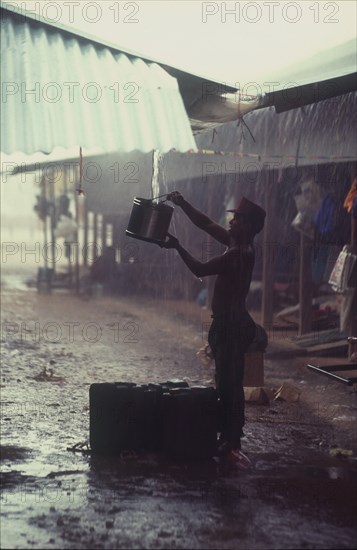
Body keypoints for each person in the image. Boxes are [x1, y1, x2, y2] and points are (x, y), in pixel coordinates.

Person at [160, 191, 266, 467]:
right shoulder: (237, 244)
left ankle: (232, 440)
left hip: (232, 326)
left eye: (237, 220)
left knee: (230, 385)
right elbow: (206, 223)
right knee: (226, 381)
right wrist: (183, 203)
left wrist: (177, 246)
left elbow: (199, 268)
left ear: (249, 227)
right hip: (230, 324)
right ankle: (229, 437)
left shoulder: (238, 254)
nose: (230, 223)